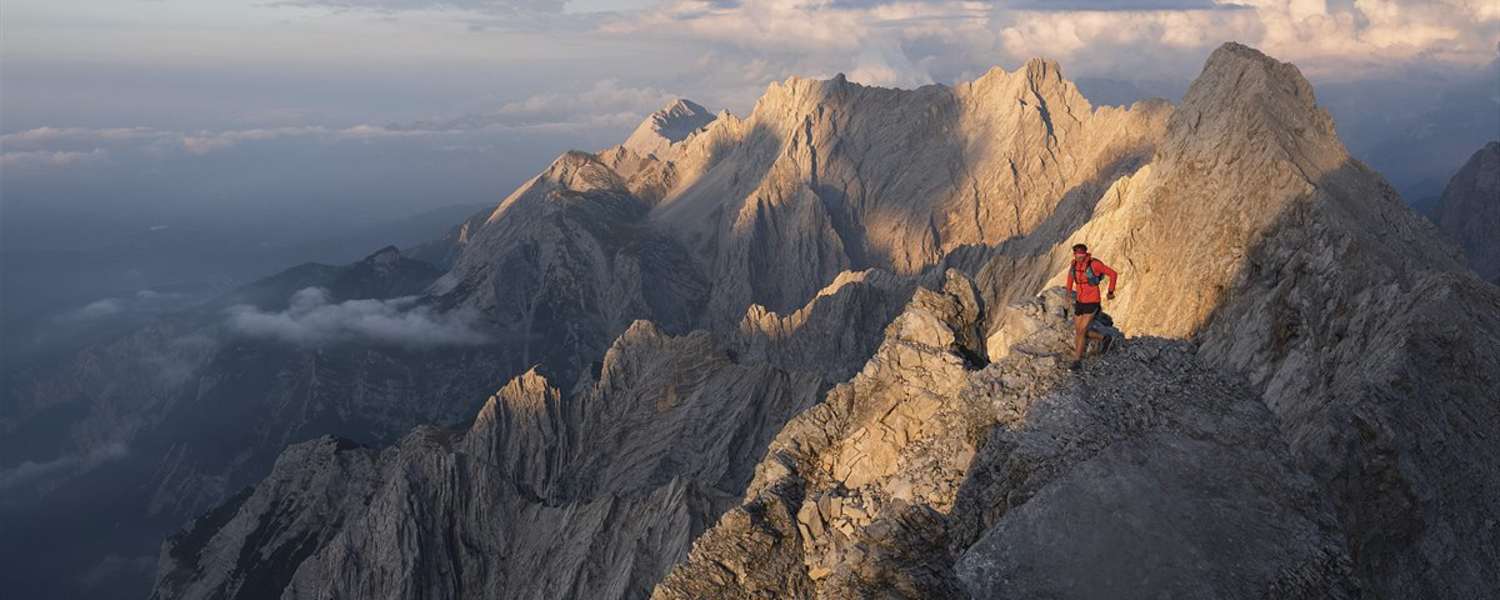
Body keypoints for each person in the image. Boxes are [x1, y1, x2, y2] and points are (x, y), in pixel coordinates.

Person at [1065, 243, 1118, 371]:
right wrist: (1068, 293)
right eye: (1077, 254)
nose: (1079, 256)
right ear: (1074, 254)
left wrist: (1110, 292)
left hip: (1092, 301)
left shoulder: (1094, 264)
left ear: (1085, 253)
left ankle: (1077, 360)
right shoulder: (1074, 265)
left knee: (1081, 331)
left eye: (1082, 253)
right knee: (1079, 330)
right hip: (1080, 301)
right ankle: (1105, 338)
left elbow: (1113, 274)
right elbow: (1070, 278)